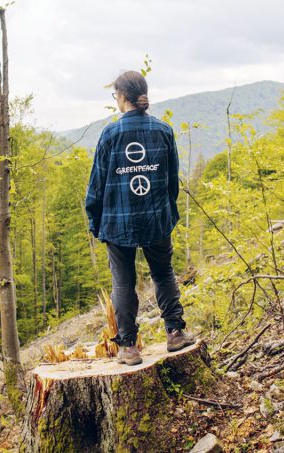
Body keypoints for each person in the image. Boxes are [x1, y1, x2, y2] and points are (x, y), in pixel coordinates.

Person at [85, 70, 195, 366]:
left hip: (117, 223)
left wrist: (95, 221)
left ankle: (129, 349)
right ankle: (175, 333)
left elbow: (97, 184)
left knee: (123, 283)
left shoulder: (110, 134)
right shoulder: (163, 130)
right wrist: (167, 213)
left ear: (122, 97)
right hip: (156, 218)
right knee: (163, 273)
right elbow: (172, 181)